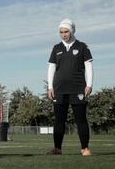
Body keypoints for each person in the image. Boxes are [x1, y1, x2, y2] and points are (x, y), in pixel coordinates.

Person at [46, 19, 93, 156]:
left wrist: (89, 84)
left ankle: (85, 148)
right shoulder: (56, 48)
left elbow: (89, 66)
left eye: (66, 31)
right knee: (59, 120)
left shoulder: (82, 46)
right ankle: (57, 149)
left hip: (78, 88)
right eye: (61, 32)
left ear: (72, 31)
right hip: (59, 90)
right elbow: (51, 68)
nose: (64, 34)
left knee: (81, 120)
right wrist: (50, 87)